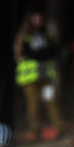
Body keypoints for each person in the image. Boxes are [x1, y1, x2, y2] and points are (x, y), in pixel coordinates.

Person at [14, 10, 60, 140]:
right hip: (30, 78)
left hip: (46, 77)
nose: (38, 21)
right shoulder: (25, 37)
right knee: (33, 104)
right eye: (35, 18)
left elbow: (53, 50)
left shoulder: (46, 35)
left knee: (50, 101)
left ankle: (58, 127)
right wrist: (42, 53)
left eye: (40, 18)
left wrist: (40, 53)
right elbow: (26, 53)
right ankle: (34, 130)